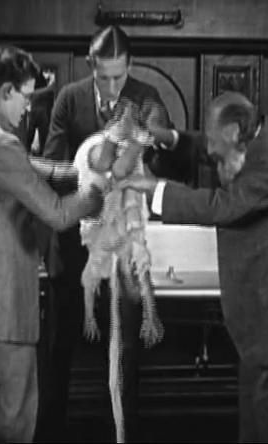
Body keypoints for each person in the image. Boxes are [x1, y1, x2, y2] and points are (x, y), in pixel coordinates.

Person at [119, 91, 268, 443]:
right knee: (256, 414)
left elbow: (224, 206)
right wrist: (170, 138)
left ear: (236, 131)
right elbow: (210, 146)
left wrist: (156, 191)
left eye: (214, 139)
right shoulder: (253, 137)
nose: (209, 148)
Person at [0, 44, 104, 443]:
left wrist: (77, 172)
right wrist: (99, 190)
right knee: (18, 407)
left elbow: (27, 167)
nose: (29, 107)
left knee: (11, 401)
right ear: (6, 91)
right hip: (3, 291)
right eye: (26, 96)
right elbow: (57, 213)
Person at [41, 24, 188, 442]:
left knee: (124, 353)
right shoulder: (69, 99)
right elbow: (53, 168)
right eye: (102, 77)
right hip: (74, 248)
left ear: (130, 66)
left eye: (118, 77)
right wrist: (90, 178)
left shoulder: (146, 97)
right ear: (91, 66)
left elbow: (168, 163)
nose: (110, 87)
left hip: (123, 249)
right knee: (58, 350)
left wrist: (149, 143)